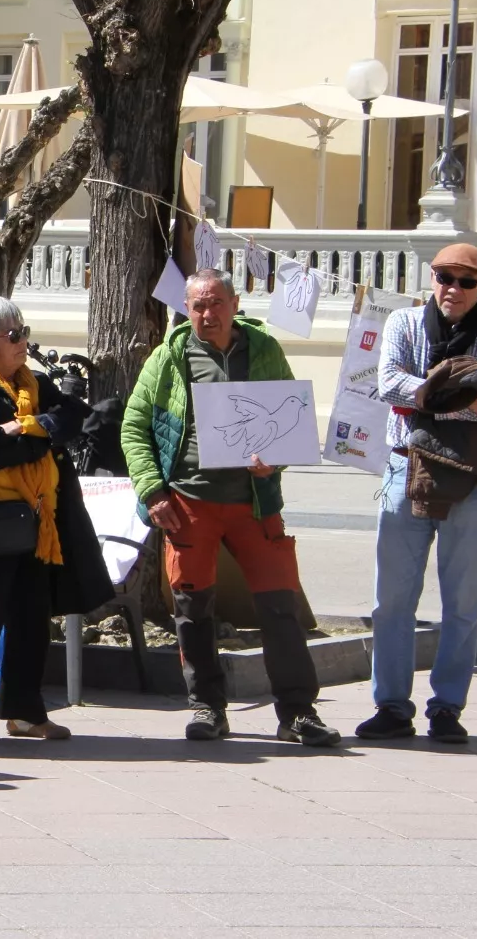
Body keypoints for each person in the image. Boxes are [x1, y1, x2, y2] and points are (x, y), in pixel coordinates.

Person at [120, 269, 341, 747]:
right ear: (187, 308)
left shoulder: (264, 351)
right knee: (192, 609)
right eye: (197, 305)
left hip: (255, 504)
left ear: (235, 303)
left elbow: (291, 421)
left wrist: (274, 460)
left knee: (280, 605)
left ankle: (298, 714)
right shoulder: (170, 357)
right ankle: (207, 706)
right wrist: (153, 491)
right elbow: (133, 427)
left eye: (215, 303)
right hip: (189, 502)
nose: (207, 314)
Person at [358, 243, 477, 744]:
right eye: (442, 277)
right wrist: (468, 394)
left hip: (475, 479)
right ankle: (390, 705)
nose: (452, 288)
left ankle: (447, 707)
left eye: (465, 281)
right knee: (391, 600)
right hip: (403, 469)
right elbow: (388, 385)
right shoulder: (404, 325)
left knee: (462, 602)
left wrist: (427, 398)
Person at [0, 296, 113, 746]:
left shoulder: (33, 385)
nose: (22, 342)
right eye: (12, 335)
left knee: (33, 619)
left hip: (39, 522)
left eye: (24, 332)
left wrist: (27, 426)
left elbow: (76, 416)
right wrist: (37, 436)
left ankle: (24, 713)